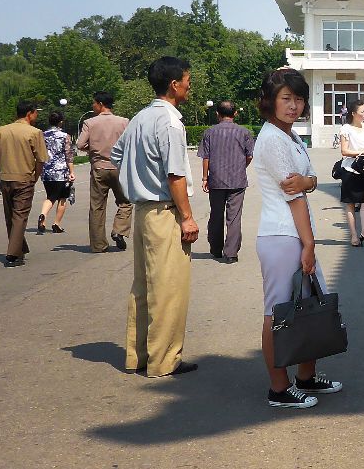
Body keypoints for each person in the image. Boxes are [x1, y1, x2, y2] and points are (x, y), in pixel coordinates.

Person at [252, 67, 342, 408]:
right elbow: (294, 195)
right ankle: (279, 388)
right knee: (278, 314)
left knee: (309, 307)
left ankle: (306, 377)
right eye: (286, 98)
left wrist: (309, 181)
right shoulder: (273, 139)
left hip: (295, 234)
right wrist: (309, 243)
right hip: (282, 236)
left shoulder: (290, 136)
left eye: (299, 98)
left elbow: (308, 179)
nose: (293, 105)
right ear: (270, 102)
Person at [111, 56, 199, 377]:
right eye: (188, 80)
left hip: (143, 211)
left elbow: (116, 154)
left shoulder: (139, 118)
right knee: (169, 288)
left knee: (144, 285)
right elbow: (175, 175)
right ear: (175, 85)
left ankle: (139, 356)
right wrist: (187, 217)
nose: (190, 85)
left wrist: (136, 179)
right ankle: (164, 360)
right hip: (164, 211)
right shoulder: (171, 122)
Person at [0, 100, 48, 267]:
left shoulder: (1, 131)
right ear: (29, 113)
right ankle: (13, 253)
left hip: (5, 178)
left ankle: (19, 249)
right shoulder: (35, 132)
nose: (37, 115)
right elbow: (41, 160)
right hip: (24, 178)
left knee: (11, 217)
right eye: (36, 112)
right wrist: (35, 177)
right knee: (20, 216)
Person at [198, 101, 255, 264]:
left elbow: (206, 157)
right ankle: (231, 253)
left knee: (216, 214)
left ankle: (216, 249)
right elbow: (249, 155)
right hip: (237, 180)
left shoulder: (209, 132)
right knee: (234, 217)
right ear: (235, 113)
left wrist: (204, 178)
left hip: (215, 180)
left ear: (217, 113)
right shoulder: (244, 132)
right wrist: (240, 167)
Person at [77, 91, 131, 252]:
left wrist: (92, 148)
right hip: (119, 168)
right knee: (125, 202)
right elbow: (129, 143)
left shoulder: (89, 123)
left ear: (100, 104)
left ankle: (99, 244)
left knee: (97, 206)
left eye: (94, 103)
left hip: (99, 168)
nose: (92, 106)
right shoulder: (123, 122)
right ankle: (119, 230)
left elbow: (80, 145)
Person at [338, 100, 364, 247]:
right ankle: (354, 235)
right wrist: (362, 152)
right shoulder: (346, 128)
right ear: (353, 114)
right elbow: (344, 151)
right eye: (362, 112)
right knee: (350, 204)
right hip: (350, 169)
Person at [37, 111, 75, 235]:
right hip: (61, 171)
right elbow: (68, 155)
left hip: (47, 171)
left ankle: (43, 215)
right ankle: (56, 224)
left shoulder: (42, 135)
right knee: (62, 198)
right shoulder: (65, 136)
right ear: (61, 122)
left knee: (50, 196)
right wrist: (71, 171)